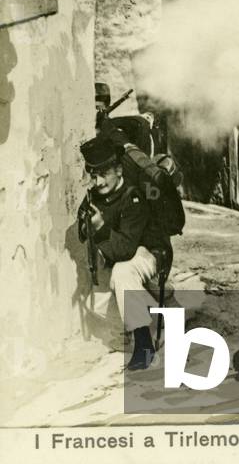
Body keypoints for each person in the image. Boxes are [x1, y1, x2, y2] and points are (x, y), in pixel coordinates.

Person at [78, 134, 168, 370]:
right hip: (122, 254)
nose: (98, 182)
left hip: (151, 252)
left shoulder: (133, 196)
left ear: (118, 170)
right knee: (95, 305)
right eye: (93, 175)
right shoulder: (95, 196)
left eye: (103, 174)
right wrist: (85, 223)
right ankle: (154, 312)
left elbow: (127, 250)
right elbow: (84, 232)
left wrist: (100, 226)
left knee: (123, 273)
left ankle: (144, 346)